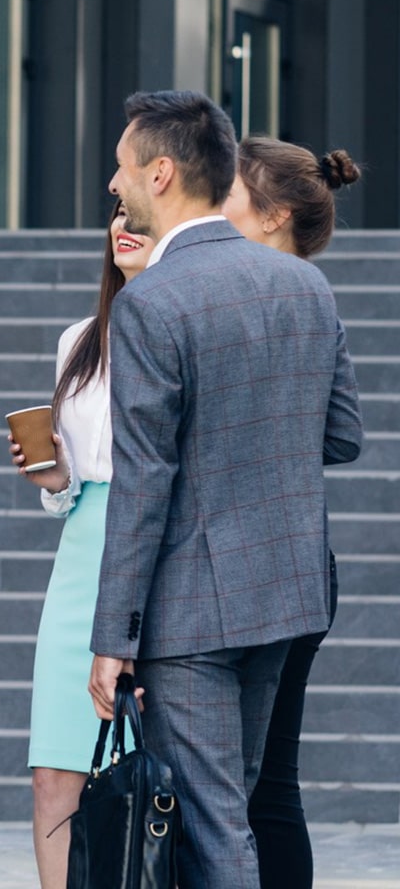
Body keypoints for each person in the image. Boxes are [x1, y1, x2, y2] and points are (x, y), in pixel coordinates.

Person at [87, 90, 362, 888]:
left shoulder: (153, 301)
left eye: (123, 166)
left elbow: (144, 482)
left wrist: (113, 638)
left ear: (162, 173)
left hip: (192, 615)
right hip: (284, 593)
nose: (115, 183)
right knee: (230, 811)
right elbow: (343, 433)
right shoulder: (304, 285)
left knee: (213, 834)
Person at [223, 137, 362, 889]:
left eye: (231, 190)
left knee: (231, 785)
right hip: (305, 566)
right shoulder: (317, 296)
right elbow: (343, 435)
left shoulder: (226, 294)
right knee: (274, 779)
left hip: (233, 569)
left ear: (274, 215)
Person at [10, 200, 156, 888]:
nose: (127, 226)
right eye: (120, 213)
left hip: (158, 556)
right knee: (53, 776)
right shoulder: (79, 340)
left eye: (146, 216)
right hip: (79, 565)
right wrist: (56, 475)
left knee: (148, 778)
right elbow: (72, 493)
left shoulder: (189, 331)